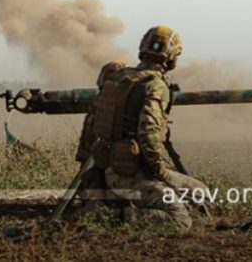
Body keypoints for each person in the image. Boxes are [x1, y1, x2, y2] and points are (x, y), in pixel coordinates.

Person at [83, 25, 209, 230]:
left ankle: (114, 203)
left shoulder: (118, 78)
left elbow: (93, 125)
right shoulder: (155, 85)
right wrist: (163, 174)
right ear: (172, 57)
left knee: (201, 192)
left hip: (110, 170)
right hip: (131, 176)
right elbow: (148, 133)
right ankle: (113, 217)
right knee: (180, 222)